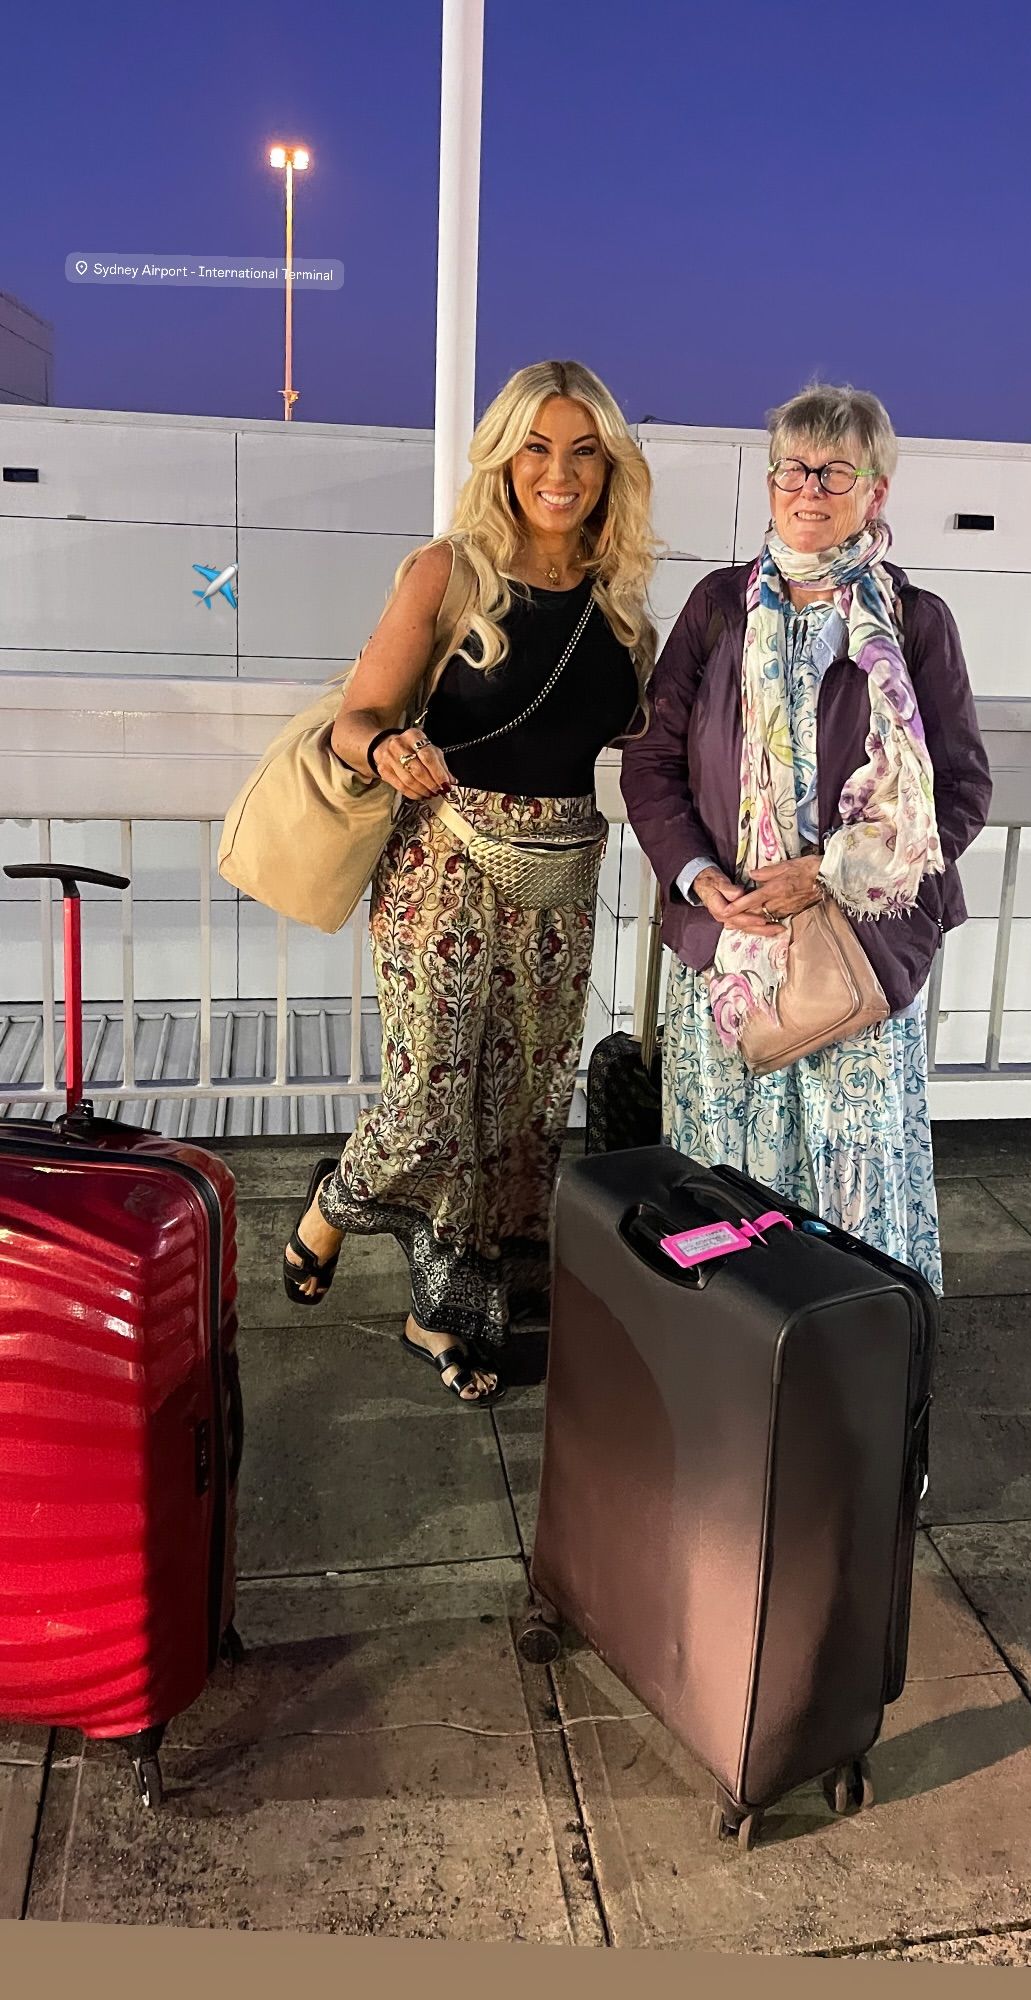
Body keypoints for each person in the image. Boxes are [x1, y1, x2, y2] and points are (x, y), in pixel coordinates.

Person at [283, 360, 656, 1401]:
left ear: (610, 468)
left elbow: (647, 734)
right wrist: (383, 749)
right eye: (536, 446)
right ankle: (331, 1205)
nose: (559, 472)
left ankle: (440, 1314)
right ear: (502, 456)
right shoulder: (448, 573)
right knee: (428, 1101)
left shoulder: (620, 600)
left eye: (583, 451)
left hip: (561, 877)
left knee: (525, 1109)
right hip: (443, 865)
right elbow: (356, 717)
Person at [620, 383, 992, 1295]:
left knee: (849, 1167)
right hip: (730, 949)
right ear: (770, 481)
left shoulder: (914, 622)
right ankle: (732, 1339)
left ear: (875, 490)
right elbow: (652, 761)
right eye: (791, 468)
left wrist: (830, 873)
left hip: (856, 948)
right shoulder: (718, 607)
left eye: (834, 471)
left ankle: (853, 1339)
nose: (808, 488)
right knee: (721, 1167)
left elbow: (959, 791)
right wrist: (699, 878)